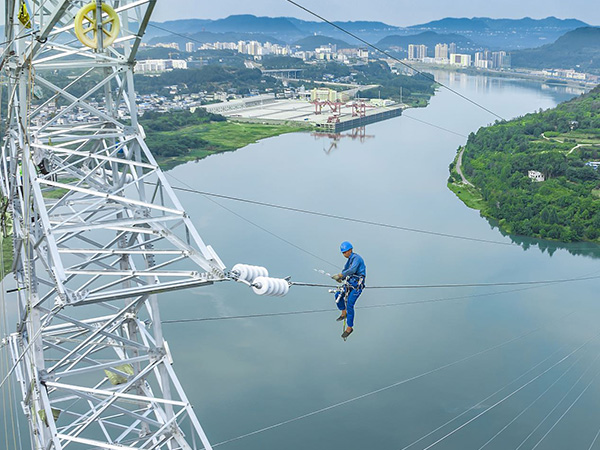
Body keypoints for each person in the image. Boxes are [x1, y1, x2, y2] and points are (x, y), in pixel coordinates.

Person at [332, 241, 366, 339]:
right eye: (343, 253)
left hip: (357, 285)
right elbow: (346, 269)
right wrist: (341, 278)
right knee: (338, 294)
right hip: (350, 282)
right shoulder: (350, 259)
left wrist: (340, 275)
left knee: (350, 304)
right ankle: (344, 312)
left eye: (345, 252)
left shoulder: (357, 258)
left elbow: (352, 270)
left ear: (350, 250)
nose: (344, 254)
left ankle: (349, 327)